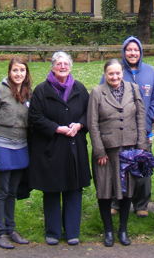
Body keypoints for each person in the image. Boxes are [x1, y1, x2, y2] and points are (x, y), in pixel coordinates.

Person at [28, 51, 91, 246]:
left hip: (74, 147)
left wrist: (79, 125)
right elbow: (35, 117)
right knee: (52, 190)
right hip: (50, 148)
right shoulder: (41, 90)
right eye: (59, 64)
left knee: (74, 190)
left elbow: (89, 114)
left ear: (71, 66)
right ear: (52, 67)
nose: (62, 67)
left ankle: (72, 231)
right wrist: (56, 128)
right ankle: (53, 231)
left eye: (66, 64)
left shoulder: (80, 89)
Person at [88, 59, 146, 247]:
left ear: (122, 73)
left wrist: (141, 146)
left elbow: (140, 116)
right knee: (105, 190)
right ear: (105, 74)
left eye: (117, 73)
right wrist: (99, 150)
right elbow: (92, 123)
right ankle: (108, 231)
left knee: (127, 189)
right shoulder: (97, 92)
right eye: (111, 74)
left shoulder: (133, 88)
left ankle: (123, 229)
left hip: (129, 149)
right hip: (106, 151)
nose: (114, 77)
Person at [103, 36, 154, 217]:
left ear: (141, 52)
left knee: (143, 167)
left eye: (136, 50)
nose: (132, 53)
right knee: (119, 167)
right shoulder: (116, 71)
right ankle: (116, 203)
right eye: (129, 50)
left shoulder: (150, 72)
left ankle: (141, 205)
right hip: (121, 131)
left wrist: (147, 123)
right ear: (124, 52)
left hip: (143, 131)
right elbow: (103, 98)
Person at [0, 58, 32, 249]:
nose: (18, 74)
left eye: (22, 70)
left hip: (21, 147)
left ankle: (11, 229)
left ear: (26, 73)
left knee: (13, 191)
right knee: (1, 191)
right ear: (9, 72)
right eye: (15, 70)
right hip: (2, 146)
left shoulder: (28, 93)